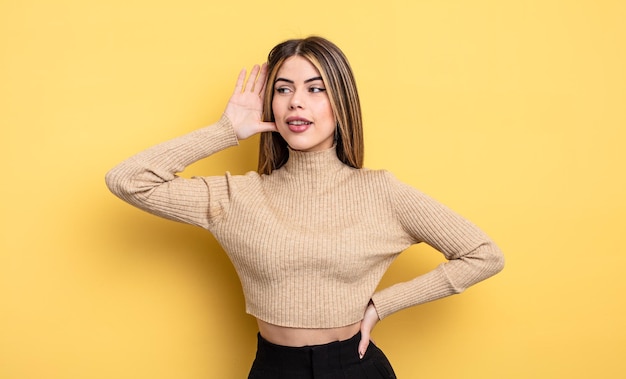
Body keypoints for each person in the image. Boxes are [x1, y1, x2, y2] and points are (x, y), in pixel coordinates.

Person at [105, 36, 504, 378]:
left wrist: (383, 304)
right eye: (282, 89)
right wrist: (224, 131)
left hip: (355, 368)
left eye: (315, 89)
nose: (296, 102)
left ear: (341, 102)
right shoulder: (235, 197)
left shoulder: (383, 193)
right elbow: (127, 180)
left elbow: (483, 254)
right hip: (274, 368)